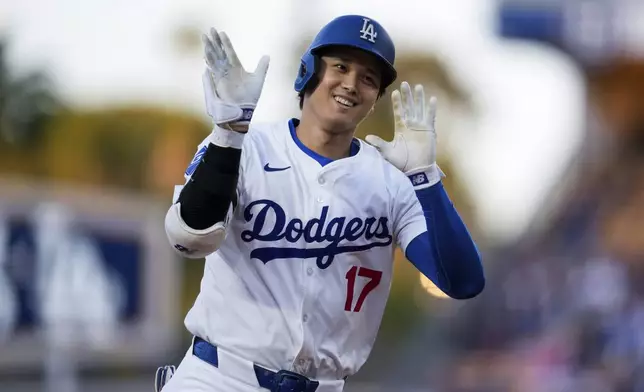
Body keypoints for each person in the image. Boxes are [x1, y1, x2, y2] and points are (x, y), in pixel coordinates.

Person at [159, 14, 485, 392]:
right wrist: (229, 132)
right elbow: (190, 237)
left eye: (368, 78)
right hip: (219, 377)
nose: (351, 84)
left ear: (375, 97)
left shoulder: (391, 184)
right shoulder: (245, 147)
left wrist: (425, 178)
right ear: (309, 73)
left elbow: (463, 282)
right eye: (341, 67)